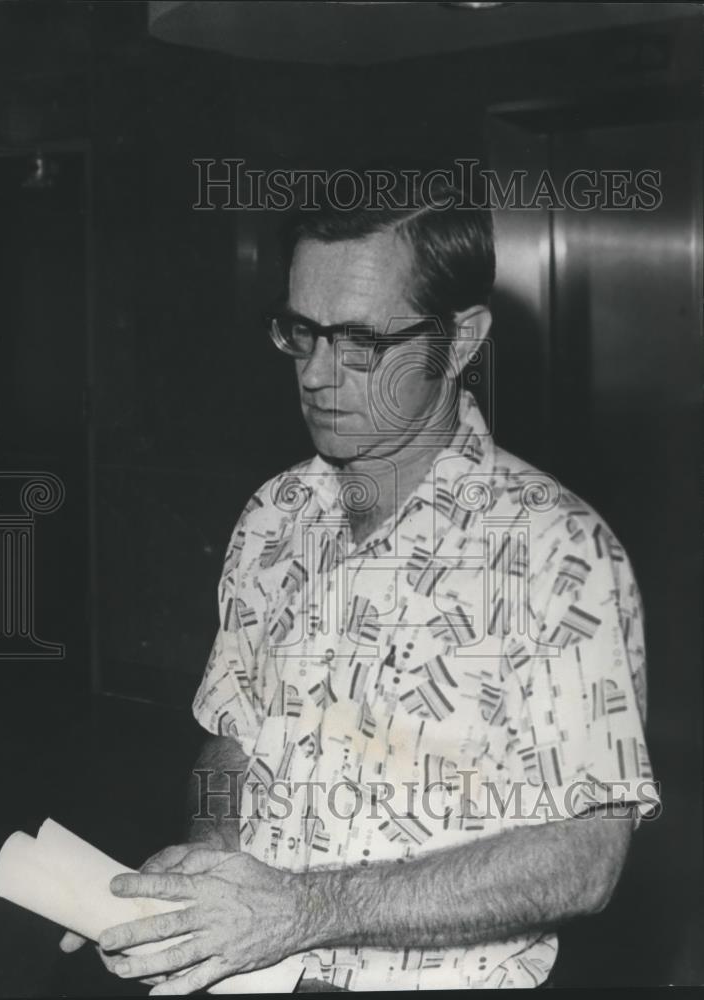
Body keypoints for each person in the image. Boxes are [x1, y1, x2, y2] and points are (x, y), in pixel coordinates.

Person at [60, 168, 658, 992]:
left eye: (361, 344)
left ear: (463, 338)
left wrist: (302, 912)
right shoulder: (274, 515)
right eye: (299, 332)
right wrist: (197, 871)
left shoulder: (558, 551)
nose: (315, 374)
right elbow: (232, 735)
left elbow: (586, 858)